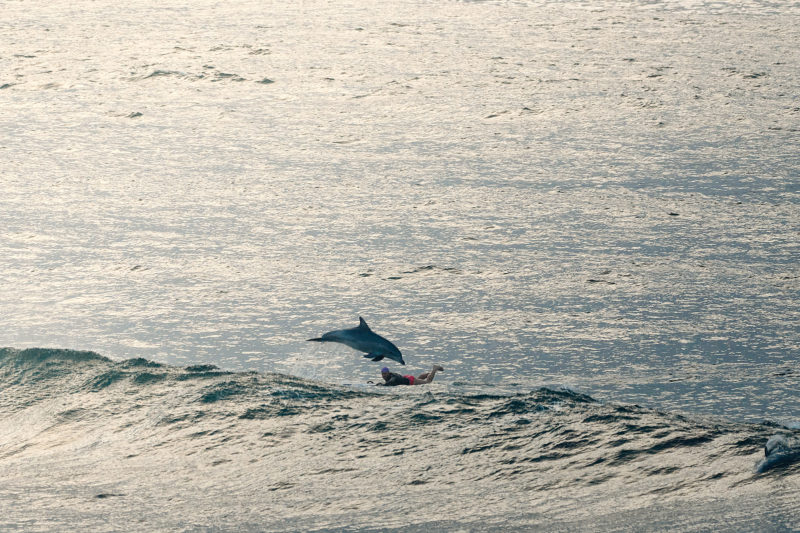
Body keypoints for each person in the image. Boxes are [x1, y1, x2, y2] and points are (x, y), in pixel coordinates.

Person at [377, 365, 444, 386]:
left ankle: (434, 369)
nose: (384, 375)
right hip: (406, 378)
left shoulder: (393, 377)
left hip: (410, 381)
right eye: (382, 374)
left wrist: (383, 385)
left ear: (388, 373)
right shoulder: (390, 375)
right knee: (419, 379)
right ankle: (428, 374)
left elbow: (392, 381)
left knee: (428, 381)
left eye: (385, 374)